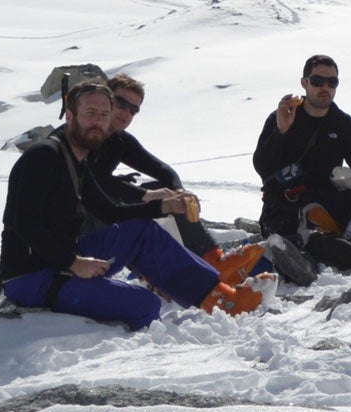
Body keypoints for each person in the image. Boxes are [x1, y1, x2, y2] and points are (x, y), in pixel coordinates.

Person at [0, 79, 262, 326]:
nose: (99, 122)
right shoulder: (45, 155)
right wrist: (73, 263)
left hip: (63, 259)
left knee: (141, 231)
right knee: (145, 305)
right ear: (69, 116)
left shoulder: (76, 157)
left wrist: (163, 207)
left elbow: (109, 211)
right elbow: (23, 223)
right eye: (91, 113)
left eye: (104, 115)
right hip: (32, 277)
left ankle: (222, 298)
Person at [94, 73, 262, 286]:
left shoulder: (118, 140)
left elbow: (163, 171)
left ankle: (211, 260)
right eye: (121, 103)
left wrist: (179, 192)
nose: (126, 113)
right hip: (79, 225)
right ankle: (167, 275)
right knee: (152, 204)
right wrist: (146, 195)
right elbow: (90, 179)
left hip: (102, 211)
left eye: (133, 109)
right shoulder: (83, 134)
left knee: (169, 194)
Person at [252, 55, 351, 272]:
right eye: (317, 81)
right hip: (285, 201)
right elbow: (262, 166)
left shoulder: (343, 124)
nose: (325, 88)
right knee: (294, 230)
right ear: (304, 83)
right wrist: (281, 131)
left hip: (327, 198)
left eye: (332, 82)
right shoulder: (282, 117)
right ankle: (302, 260)